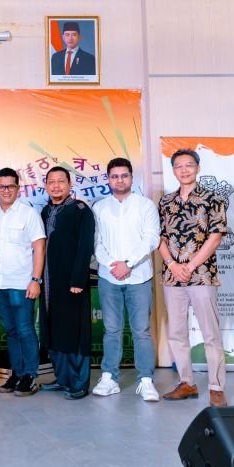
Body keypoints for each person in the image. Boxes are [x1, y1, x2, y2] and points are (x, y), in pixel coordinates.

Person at [158, 149, 228, 407]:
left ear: (197, 168)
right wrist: (173, 264)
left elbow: (216, 236)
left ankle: (216, 387)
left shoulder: (213, 198)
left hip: (202, 276)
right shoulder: (166, 202)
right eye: (179, 166)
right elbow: (160, 238)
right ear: (173, 170)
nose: (184, 170)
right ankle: (186, 382)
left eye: (189, 165)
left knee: (211, 334)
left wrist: (190, 265)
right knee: (177, 333)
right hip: (172, 276)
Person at [91, 158, 161, 401]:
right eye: (114, 176)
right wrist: (113, 265)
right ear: (108, 179)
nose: (119, 180)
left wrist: (128, 264)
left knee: (141, 330)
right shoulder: (99, 208)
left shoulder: (146, 206)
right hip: (109, 277)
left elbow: (151, 239)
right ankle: (109, 377)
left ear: (132, 178)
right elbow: (96, 243)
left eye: (124, 175)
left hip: (139, 276)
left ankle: (146, 379)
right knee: (112, 329)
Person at [0, 167, 46, 397]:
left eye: (10, 186)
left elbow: (39, 247)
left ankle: (30, 375)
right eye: (1, 186)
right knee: (11, 331)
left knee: (25, 329)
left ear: (18, 188)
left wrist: (35, 280)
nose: (6, 190)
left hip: (22, 283)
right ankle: (17, 373)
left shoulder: (28, 213)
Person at [39, 166, 95, 400]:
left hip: (73, 281)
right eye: (51, 182)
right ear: (46, 186)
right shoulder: (44, 212)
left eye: (61, 181)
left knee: (76, 332)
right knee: (55, 331)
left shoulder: (81, 210)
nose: (56, 186)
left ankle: (79, 382)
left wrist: (78, 278)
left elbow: (85, 246)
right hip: (49, 284)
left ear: (70, 185)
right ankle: (63, 378)